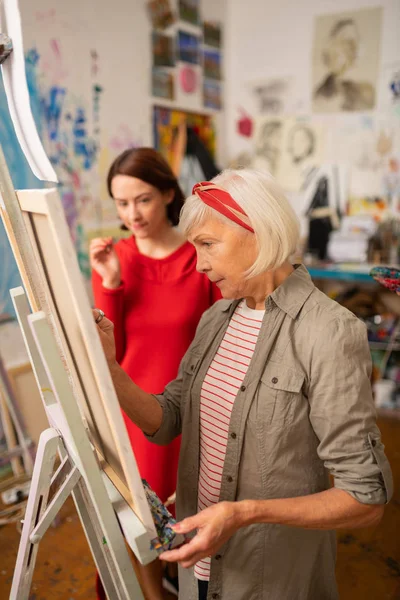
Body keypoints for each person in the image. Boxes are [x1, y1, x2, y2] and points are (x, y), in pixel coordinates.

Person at [94, 168, 393, 600]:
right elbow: (169, 418)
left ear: (259, 232)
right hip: (198, 564)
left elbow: (365, 498)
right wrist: (110, 368)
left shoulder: (328, 331)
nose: (199, 265)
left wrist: (243, 514)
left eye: (208, 245)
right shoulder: (217, 317)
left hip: (266, 576)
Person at [90, 147, 220, 599]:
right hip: (131, 410)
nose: (132, 214)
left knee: (189, 516)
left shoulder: (200, 258)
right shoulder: (115, 258)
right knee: (138, 519)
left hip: (190, 411)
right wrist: (110, 283)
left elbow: (217, 341)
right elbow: (114, 352)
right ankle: (152, 594)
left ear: (168, 194)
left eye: (142, 200)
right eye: (121, 203)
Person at [313, 18, 375, 112]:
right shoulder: (321, 95)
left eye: (355, 42)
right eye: (346, 42)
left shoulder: (366, 92)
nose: (352, 48)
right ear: (331, 47)